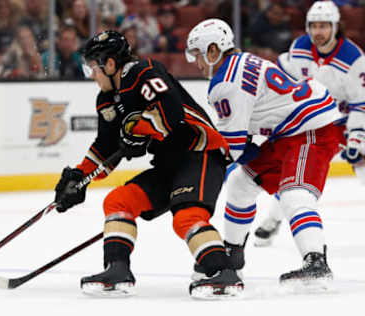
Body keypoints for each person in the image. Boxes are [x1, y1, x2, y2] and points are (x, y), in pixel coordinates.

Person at [53, 30, 243, 299]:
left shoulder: (143, 72)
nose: (92, 75)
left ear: (110, 64)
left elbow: (171, 112)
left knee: (187, 216)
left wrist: (138, 130)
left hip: (200, 153)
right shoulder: (107, 100)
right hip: (169, 164)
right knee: (118, 201)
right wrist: (79, 177)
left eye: (93, 68)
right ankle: (117, 270)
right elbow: (105, 147)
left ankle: (224, 273)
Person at [186, 18, 342, 287]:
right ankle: (232, 258)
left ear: (213, 50)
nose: (197, 63)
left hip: (313, 128)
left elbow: (231, 148)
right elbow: (238, 145)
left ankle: (316, 263)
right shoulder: (241, 60)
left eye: (198, 55)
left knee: (294, 193)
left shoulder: (224, 84)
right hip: (291, 130)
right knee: (240, 181)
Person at [253, 0, 365, 246]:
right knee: (295, 169)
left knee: (363, 162)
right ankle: (273, 221)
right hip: (312, 120)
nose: (318, 32)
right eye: (313, 26)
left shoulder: (354, 58)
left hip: (344, 121)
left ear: (336, 27)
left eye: (324, 26)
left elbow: (360, 103)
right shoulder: (300, 47)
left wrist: (357, 136)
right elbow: (283, 74)